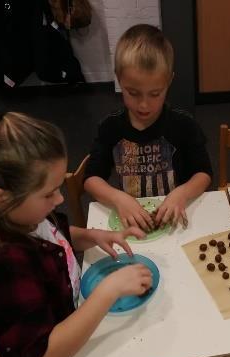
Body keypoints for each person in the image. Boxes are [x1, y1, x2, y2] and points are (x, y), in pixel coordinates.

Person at [0, 107, 153, 357]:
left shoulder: (26, 215)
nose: (59, 200)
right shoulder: (4, 263)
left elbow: (59, 236)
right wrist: (109, 291)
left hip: (69, 324)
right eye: (48, 194)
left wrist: (96, 236)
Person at [84, 24, 212, 231]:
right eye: (133, 93)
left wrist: (181, 193)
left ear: (169, 81)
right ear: (119, 78)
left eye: (155, 94)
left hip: (174, 217)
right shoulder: (111, 127)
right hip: (130, 219)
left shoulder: (184, 124)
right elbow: (91, 178)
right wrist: (118, 198)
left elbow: (203, 173)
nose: (144, 105)